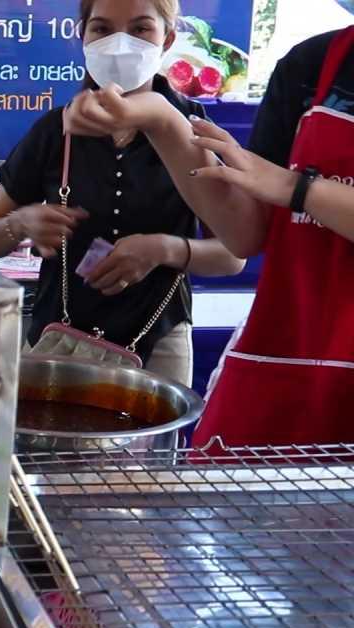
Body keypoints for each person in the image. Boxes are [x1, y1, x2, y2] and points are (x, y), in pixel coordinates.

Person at [61, 22, 354, 446]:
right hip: (296, 351)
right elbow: (245, 235)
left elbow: (279, 190)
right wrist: (162, 120)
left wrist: (299, 190)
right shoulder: (311, 65)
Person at [0, 0, 244, 385]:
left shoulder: (195, 132)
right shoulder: (55, 130)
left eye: (140, 29)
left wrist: (164, 249)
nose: (120, 45)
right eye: (102, 29)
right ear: (82, 38)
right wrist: (20, 224)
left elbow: (232, 256)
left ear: (167, 39)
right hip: (58, 340)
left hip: (157, 342)